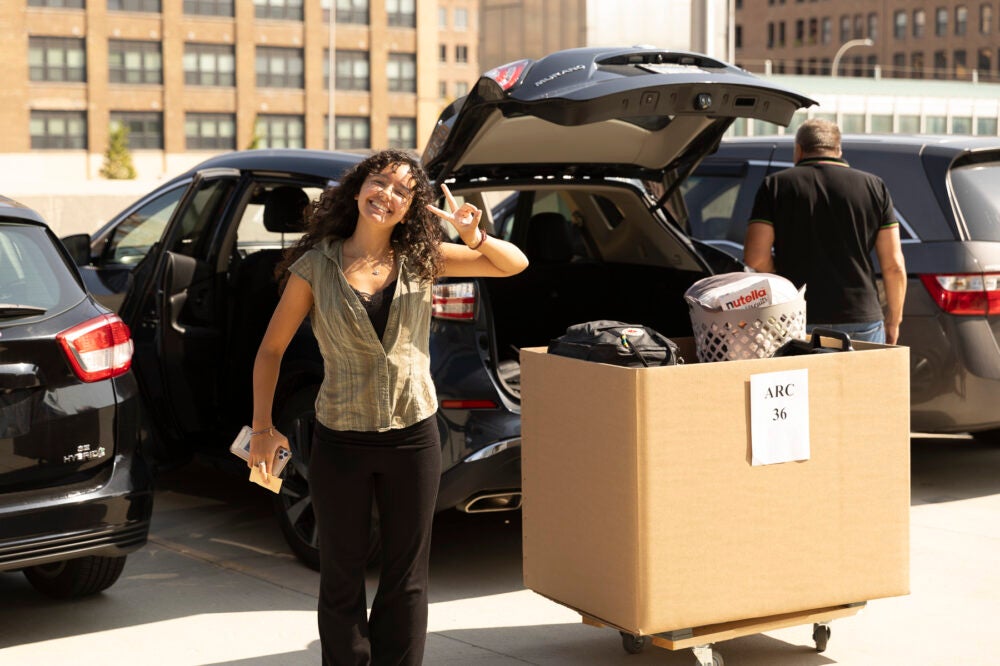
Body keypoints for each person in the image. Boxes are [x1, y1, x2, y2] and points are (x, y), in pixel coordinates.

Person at [246, 149, 529, 666]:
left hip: (413, 437)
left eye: (402, 191)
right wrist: (263, 428)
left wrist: (473, 234)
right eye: (380, 182)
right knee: (342, 578)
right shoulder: (315, 265)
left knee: (406, 579)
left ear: (410, 208)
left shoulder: (425, 258)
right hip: (341, 440)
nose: (388, 195)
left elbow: (514, 265)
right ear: (357, 190)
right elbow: (270, 350)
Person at [743, 118, 907, 344]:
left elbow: (756, 258)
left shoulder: (775, 186)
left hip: (796, 314)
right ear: (838, 149)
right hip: (861, 317)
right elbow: (894, 266)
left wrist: (786, 283)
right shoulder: (874, 186)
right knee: (863, 381)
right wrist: (894, 321)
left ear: (798, 150)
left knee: (804, 380)